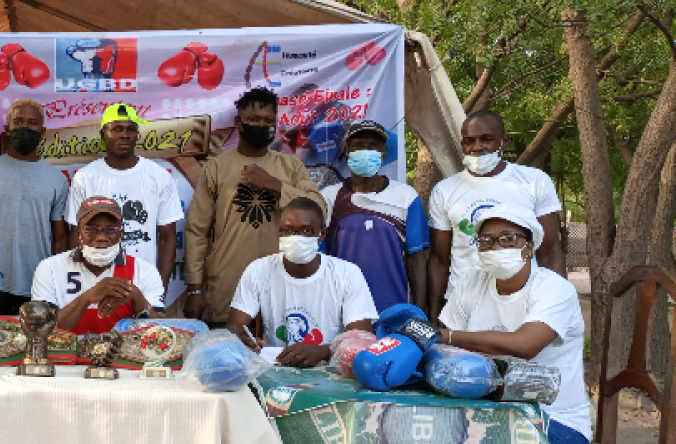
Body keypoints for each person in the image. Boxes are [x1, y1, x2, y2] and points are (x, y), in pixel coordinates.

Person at [438, 205, 591, 444]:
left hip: (555, 423)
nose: (496, 247)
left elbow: (524, 345)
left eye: (508, 239)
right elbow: (444, 352)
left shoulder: (554, 289)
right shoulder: (470, 283)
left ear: (529, 247)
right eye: (486, 241)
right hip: (487, 412)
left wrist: (448, 336)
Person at [184, 87, 324, 325]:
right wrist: (195, 289)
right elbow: (197, 231)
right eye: (254, 120)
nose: (261, 125)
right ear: (239, 123)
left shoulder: (290, 166)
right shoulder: (217, 167)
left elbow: (319, 209)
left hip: (284, 277)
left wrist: (274, 185)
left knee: (280, 348)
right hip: (229, 279)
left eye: (268, 120)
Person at [428, 110, 564, 321]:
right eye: (468, 141)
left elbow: (550, 250)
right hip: (462, 306)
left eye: (487, 139)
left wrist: (555, 306)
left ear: (504, 141)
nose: (477, 147)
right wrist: (434, 314)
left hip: (522, 302)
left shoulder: (534, 182)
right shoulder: (444, 190)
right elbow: (439, 260)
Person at [227, 198, 376, 367]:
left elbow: (362, 341)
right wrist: (244, 340)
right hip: (276, 369)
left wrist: (322, 352)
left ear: (322, 234)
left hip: (331, 374)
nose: (296, 238)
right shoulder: (258, 270)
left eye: (306, 230)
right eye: (287, 230)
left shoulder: (347, 274)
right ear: (279, 233)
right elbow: (235, 326)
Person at [0, 99, 69, 316]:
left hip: (40, 284)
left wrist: (58, 288)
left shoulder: (57, 179)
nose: (24, 127)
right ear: (7, 129)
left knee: (36, 347)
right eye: (18, 121)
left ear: (43, 130)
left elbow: (60, 239)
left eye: (32, 123)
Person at [65, 104, 182, 290]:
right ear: (104, 134)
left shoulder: (158, 176)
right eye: (117, 129)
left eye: (130, 129)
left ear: (137, 134)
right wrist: (77, 285)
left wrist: (160, 288)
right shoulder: (85, 178)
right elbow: (75, 235)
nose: (124, 135)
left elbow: (167, 238)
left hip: (142, 284)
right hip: (94, 284)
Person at [321, 120, 429, 313]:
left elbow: (417, 258)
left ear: (384, 152)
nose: (365, 151)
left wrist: (419, 311)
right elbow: (320, 258)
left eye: (373, 146)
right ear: (347, 151)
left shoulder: (406, 197)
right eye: (357, 146)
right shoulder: (328, 197)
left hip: (394, 308)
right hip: (341, 310)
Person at [31, 196, 166, 334]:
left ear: (121, 234)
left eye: (111, 230)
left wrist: (137, 298)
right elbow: (41, 332)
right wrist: (87, 297)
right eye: (91, 229)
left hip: (122, 354)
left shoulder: (144, 271)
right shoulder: (49, 268)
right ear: (78, 234)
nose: (101, 237)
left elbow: (159, 332)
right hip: (67, 354)